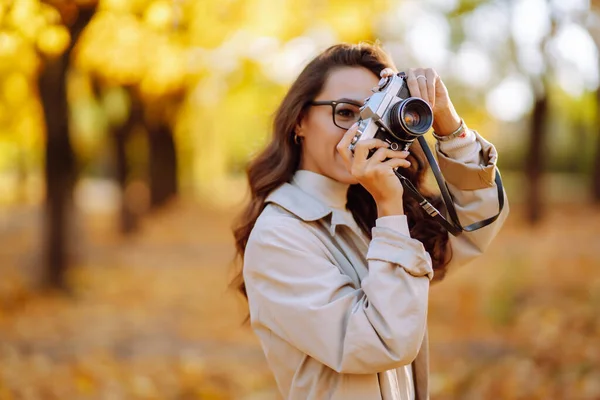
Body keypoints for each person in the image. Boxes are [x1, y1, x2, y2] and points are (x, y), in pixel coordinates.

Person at [231, 43, 509, 400]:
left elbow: (477, 223)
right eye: (346, 112)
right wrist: (389, 206)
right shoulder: (279, 235)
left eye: (375, 114)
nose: (361, 132)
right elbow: (382, 342)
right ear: (299, 121)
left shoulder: (364, 214)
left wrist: (448, 125)